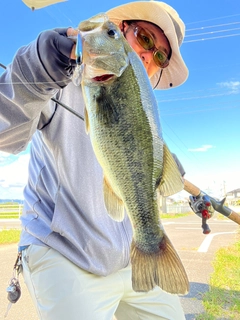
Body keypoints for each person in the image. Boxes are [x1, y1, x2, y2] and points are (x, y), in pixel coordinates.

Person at [0, 1, 198, 319]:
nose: (149, 56)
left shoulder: (144, 112)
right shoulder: (58, 79)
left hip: (129, 254)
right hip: (63, 252)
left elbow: (160, 167)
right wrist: (36, 65)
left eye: (160, 56)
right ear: (120, 30)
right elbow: (5, 134)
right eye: (145, 39)